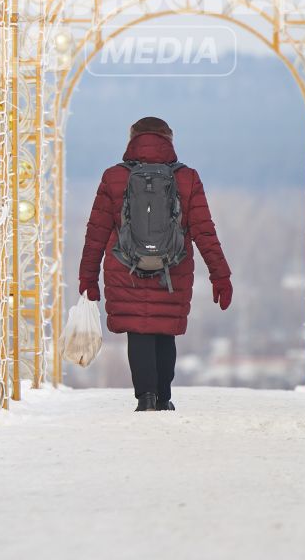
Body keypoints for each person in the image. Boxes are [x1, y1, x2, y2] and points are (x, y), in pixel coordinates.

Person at [78, 116, 232, 411]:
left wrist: (88, 278)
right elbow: (205, 232)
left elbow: (95, 233)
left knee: (139, 331)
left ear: (131, 139)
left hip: (126, 268)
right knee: (165, 330)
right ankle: (163, 397)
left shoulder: (114, 177)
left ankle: (145, 398)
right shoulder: (187, 178)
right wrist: (220, 276)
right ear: (169, 140)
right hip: (172, 269)